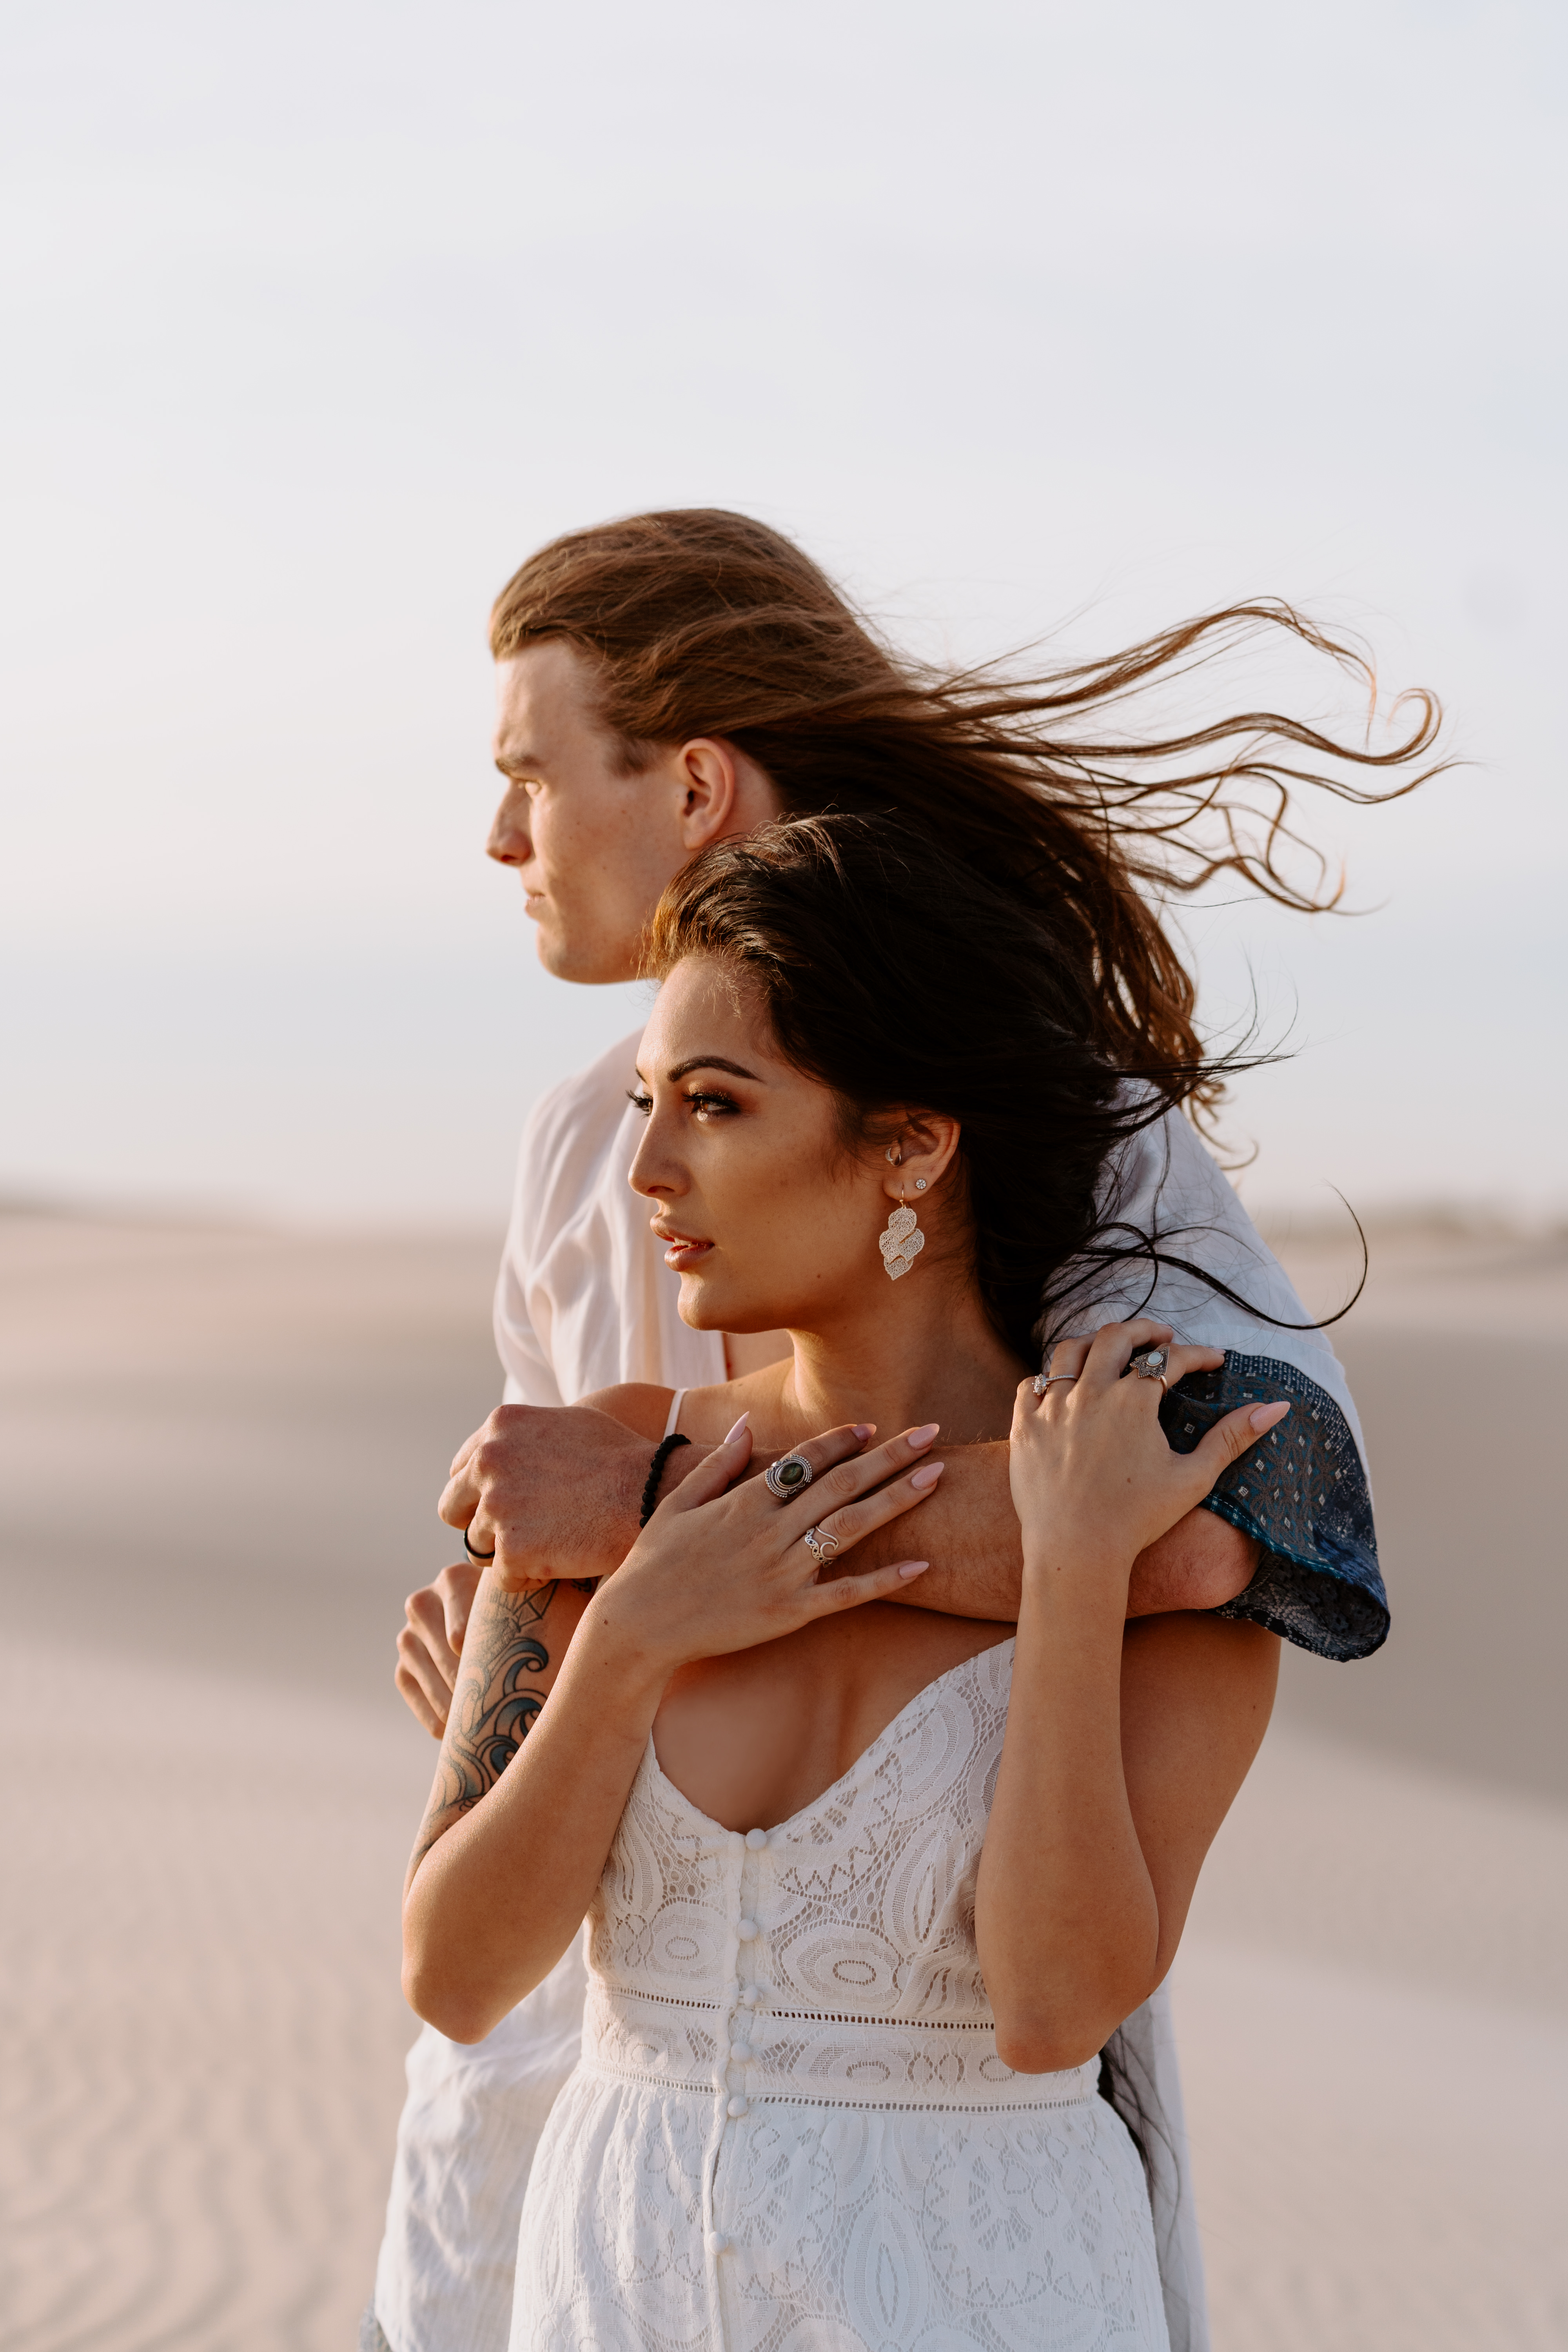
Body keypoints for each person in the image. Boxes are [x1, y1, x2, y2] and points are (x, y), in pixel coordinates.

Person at [370, 510, 1423, 2352]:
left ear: (694, 782)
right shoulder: (570, 1155)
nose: (498, 838)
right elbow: (471, 1860)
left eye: (527, 774)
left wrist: (661, 1507)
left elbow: (1258, 1514)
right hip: (552, 2180)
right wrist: (569, 1647)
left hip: (958, 2218)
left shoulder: (1073, 1131)